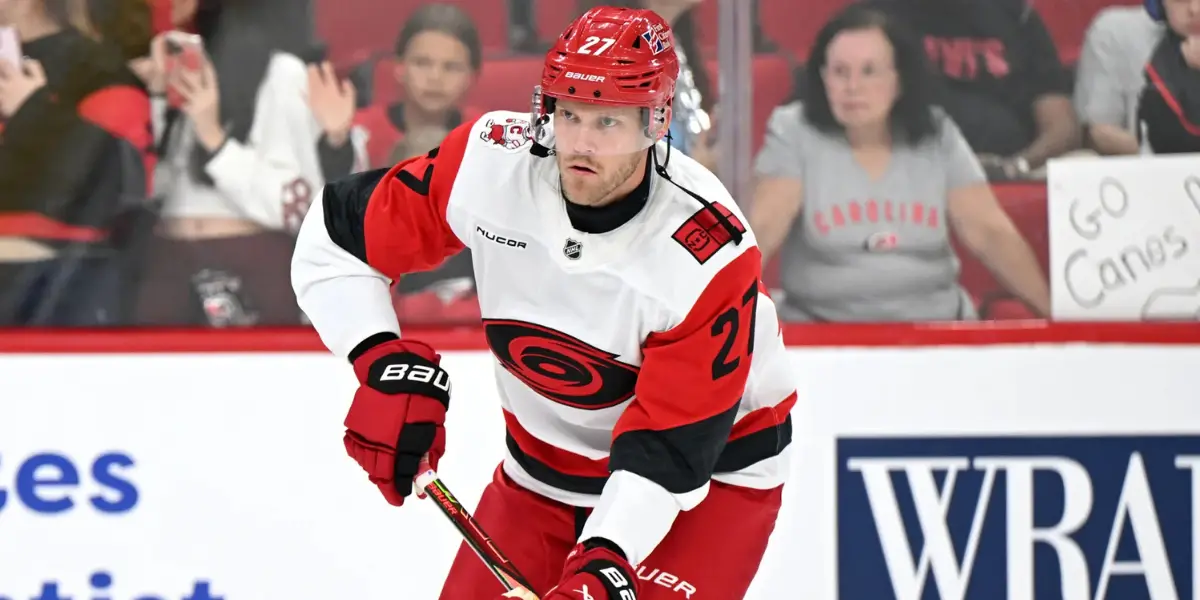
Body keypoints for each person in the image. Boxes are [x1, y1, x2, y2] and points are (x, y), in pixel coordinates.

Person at [291, 6, 797, 600]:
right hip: (542, 473)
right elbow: (336, 241)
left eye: (608, 122)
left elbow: (670, 447)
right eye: (568, 113)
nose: (579, 143)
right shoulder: (487, 165)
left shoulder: (707, 252)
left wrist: (606, 559)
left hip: (710, 479)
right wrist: (378, 359)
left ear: (656, 122)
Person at [750, 5, 1050, 322]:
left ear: (899, 80)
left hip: (936, 326)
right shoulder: (793, 131)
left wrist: (1054, 320)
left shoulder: (938, 133)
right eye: (840, 72)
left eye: (869, 71)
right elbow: (765, 228)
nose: (853, 87)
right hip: (821, 328)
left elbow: (990, 233)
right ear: (823, 78)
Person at [132, 0, 356, 326]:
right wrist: (155, 98)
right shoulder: (188, 60)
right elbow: (155, 189)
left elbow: (295, 204)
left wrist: (216, 143)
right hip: (167, 261)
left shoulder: (283, 73)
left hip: (251, 262)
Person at [867, 0, 1079, 179]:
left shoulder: (1017, 15)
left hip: (1015, 165)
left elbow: (1061, 125)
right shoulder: (878, 16)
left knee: (1083, 166)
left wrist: (1015, 165)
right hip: (910, 169)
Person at [354, 3, 482, 170]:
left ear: (471, 77)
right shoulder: (361, 132)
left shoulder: (486, 135)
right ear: (399, 68)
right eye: (422, 64)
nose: (435, 78)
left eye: (451, 67)